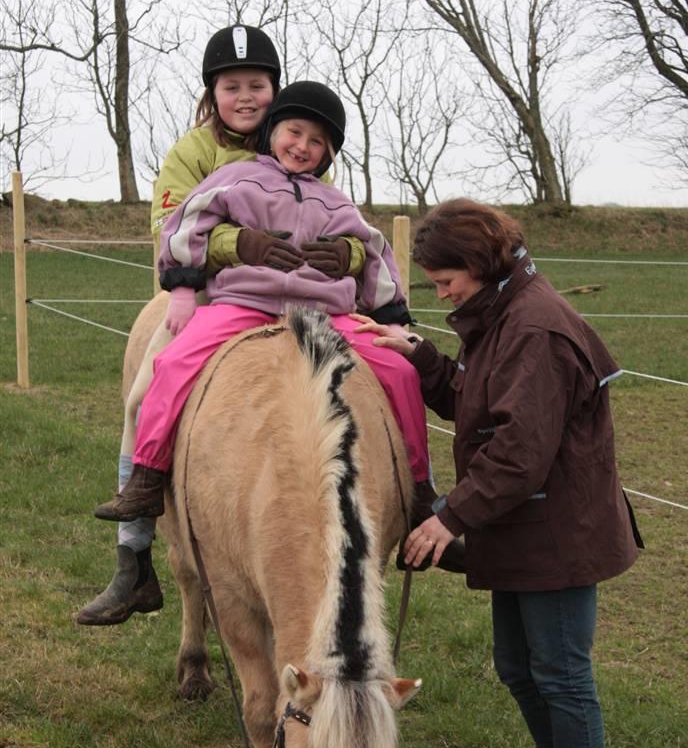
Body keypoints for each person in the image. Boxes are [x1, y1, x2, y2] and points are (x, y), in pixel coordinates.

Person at [353, 199, 642, 748]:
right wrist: (422, 357)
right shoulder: (503, 314)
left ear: (480, 262)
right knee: (520, 667)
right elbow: (482, 406)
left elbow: (519, 451)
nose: (440, 289)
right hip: (524, 527)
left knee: (562, 674)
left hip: (558, 532)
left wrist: (449, 517)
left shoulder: (535, 328)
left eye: (445, 276)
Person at [92, 82, 465, 575]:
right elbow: (188, 222)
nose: (302, 146)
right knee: (173, 362)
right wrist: (186, 279)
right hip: (247, 300)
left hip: (325, 312)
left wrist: (386, 310)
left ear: (328, 153)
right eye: (294, 132)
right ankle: (147, 474)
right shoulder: (239, 179)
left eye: (317, 142)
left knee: (400, 371)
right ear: (273, 132)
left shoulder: (333, 200)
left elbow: (372, 249)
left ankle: (418, 490)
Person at [77, 25, 369, 627]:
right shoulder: (192, 152)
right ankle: (134, 555)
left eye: (256, 85)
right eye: (231, 85)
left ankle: (401, 494)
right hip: (208, 294)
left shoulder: (299, 142)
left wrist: (346, 255)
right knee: (143, 395)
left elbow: (337, 220)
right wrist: (243, 245)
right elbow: (175, 226)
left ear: (273, 88)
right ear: (214, 92)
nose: (245, 97)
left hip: (297, 299)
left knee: (374, 378)